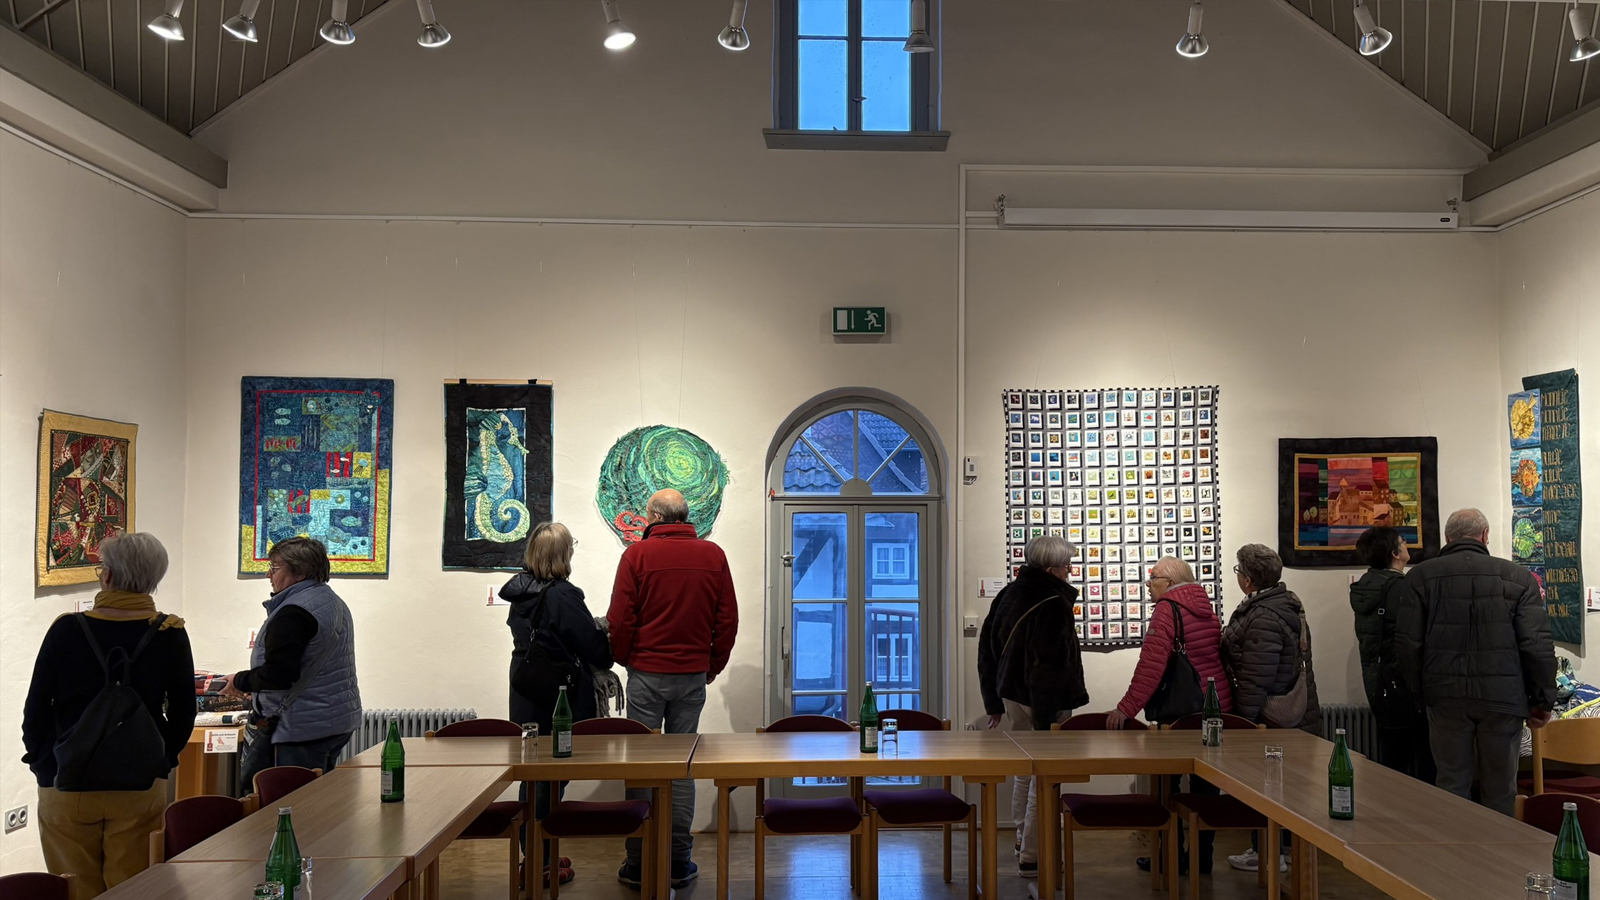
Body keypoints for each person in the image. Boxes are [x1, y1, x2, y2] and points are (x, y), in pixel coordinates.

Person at [23, 533, 195, 898]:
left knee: (73, 887)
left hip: (66, 777)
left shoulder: (67, 629)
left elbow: (36, 708)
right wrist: (162, 760)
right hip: (140, 781)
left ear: (110, 575)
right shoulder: (169, 633)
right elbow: (183, 713)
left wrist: (43, 764)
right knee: (133, 889)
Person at [607, 489, 738, 890]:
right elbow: (727, 620)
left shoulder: (637, 556)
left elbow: (620, 618)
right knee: (682, 768)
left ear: (654, 517)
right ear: (684, 516)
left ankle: (638, 862)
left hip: (646, 673)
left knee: (642, 767)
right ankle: (679, 860)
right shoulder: (713, 556)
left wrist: (625, 658)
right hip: (691, 674)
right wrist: (711, 665)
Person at [1399, 508, 1556, 816]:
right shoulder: (1518, 577)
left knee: (1451, 784)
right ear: (1485, 536)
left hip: (1445, 696)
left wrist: (1420, 694)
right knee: (1501, 790)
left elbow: (1408, 645)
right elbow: (1536, 645)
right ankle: (1498, 848)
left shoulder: (1420, 577)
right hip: (1504, 699)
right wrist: (1542, 699)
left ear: (1447, 538)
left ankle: (1456, 847)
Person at [502, 521, 613, 887]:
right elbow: (595, 649)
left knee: (535, 777)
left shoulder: (520, 591)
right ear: (562, 554)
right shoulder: (563, 595)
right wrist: (604, 633)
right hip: (558, 698)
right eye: (571, 546)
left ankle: (537, 853)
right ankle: (541, 863)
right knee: (552, 780)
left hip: (526, 692)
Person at [1108, 557, 1231, 875]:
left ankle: (1170, 857)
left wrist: (1125, 708)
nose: (1148, 583)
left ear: (1171, 582)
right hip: (1213, 705)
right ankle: (1201, 859)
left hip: (1179, 710)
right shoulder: (1204, 606)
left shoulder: (1167, 608)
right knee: (1206, 788)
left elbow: (1151, 665)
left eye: (1153, 577)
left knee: (1166, 785)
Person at [978, 535, 1087, 879]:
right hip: (1043, 703)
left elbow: (987, 650)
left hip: (1012, 696)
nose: (1070, 571)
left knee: (1025, 772)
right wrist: (1046, 718)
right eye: (1067, 565)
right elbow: (1048, 667)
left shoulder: (1009, 593)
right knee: (1045, 776)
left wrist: (993, 702)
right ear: (1052, 569)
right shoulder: (1054, 601)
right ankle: (1033, 855)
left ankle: (1021, 840)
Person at [225, 537, 362, 792]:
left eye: (275, 568)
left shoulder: (294, 612)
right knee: (317, 798)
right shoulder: (332, 601)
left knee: (290, 804)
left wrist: (239, 681)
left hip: (301, 727)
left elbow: (279, 675)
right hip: (334, 719)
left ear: (300, 572)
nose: (268, 574)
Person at [1222, 543, 1320, 873]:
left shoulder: (1263, 616)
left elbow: (1256, 678)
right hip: (1297, 714)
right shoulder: (1286, 603)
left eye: (1239, 571)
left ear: (1248, 579)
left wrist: (1244, 726)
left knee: (1268, 788)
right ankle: (1284, 850)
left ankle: (1268, 853)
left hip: (1272, 720)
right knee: (1288, 788)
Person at [1350, 526, 1435, 784]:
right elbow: (1411, 638)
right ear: (1394, 554)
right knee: (1422, 764)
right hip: (1403, 682)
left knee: (1393, 758)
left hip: (1379, 681)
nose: (1407, 545)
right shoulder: (1399, 587)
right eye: (1402, 542)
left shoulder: (1367, 585)